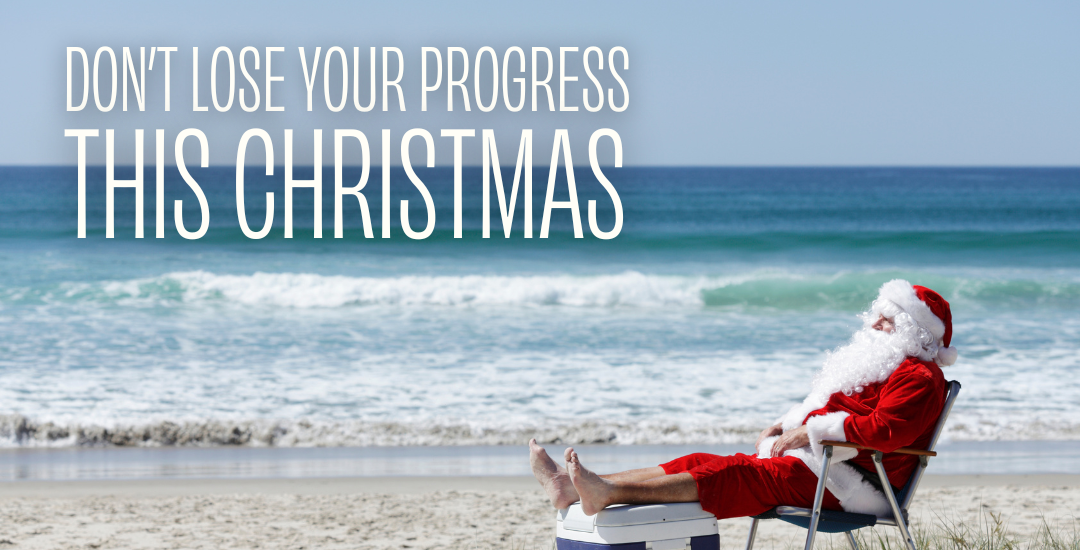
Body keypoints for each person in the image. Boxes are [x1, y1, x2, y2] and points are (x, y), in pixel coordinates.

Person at [529, 279, 957, 518]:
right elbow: (835, 409)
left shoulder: (918, 377)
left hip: (856, 480)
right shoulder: (879, 366)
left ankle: (608, 492)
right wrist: (792, 424)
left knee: (735, 474)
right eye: (877, 314)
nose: (874, 324)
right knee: (700, 460)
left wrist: (813, 431)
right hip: (824, 463)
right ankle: (573, 488)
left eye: (887, 319)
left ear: (913, 333)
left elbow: (886, 431)